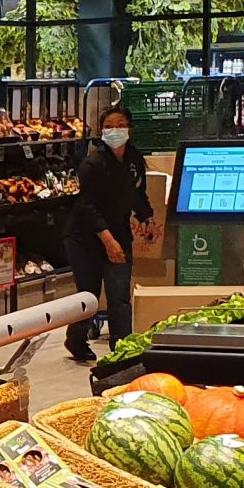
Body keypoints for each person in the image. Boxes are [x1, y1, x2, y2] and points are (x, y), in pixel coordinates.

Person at [65, 102, 153, 361]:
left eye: (121, 125)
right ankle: (75, 339)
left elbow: (137, 194)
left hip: (119, 232)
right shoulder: (92, 164)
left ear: (130, 129)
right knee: (89, 296)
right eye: (109, 126)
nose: (115, 130)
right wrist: (107, 240)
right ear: (101, 131)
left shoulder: (135, 161)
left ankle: (122, 351)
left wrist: (146, 217)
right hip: (85, 239)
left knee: (119, 296)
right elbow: (87, 206)